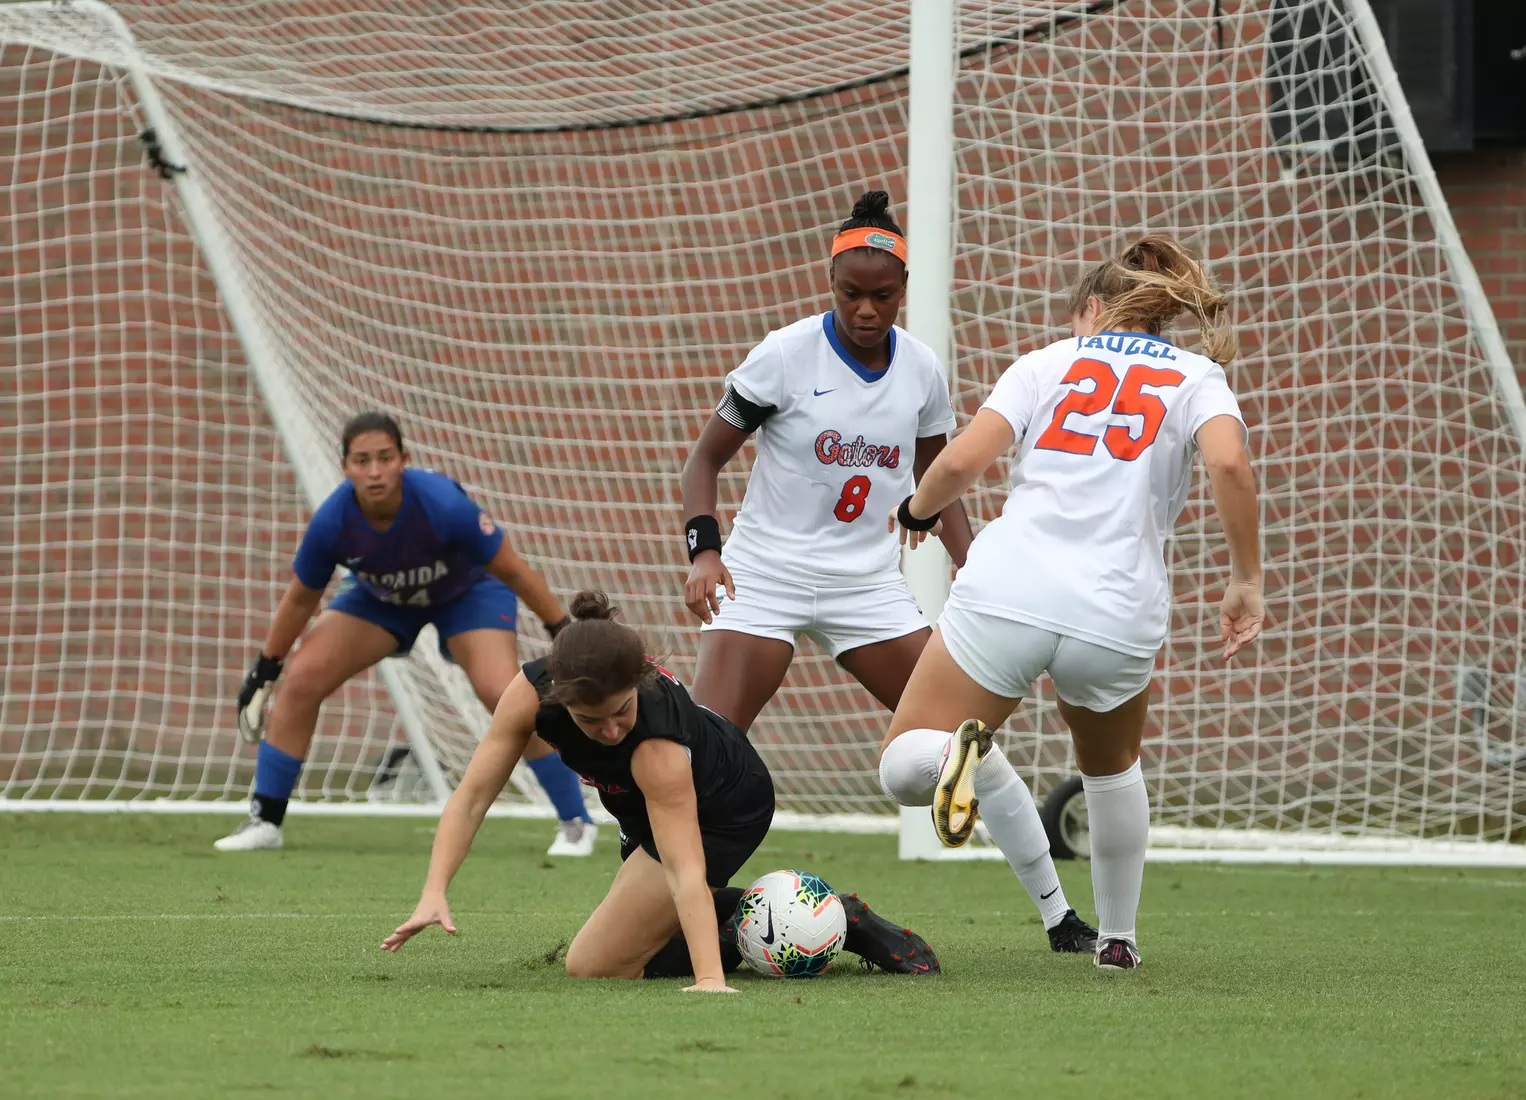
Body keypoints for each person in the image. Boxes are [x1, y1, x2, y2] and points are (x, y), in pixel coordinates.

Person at [680, 190, 1096, 953]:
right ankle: (652, 908)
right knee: (704, 756)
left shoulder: (922, 370)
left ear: (902, 291)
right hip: (763, 575)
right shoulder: (784, 353)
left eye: (883, 296)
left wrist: (974, 567)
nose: (867, 310)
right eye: (851, 294)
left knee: (959, 736)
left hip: (866, 585)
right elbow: (705, 458)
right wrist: (704, 549)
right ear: (829, 284)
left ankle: (1060, 917)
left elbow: (938, 484)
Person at [879, 235, 1265, 970]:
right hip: (1115, 611)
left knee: (904, 763)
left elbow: (961, 459)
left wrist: (920, 511)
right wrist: (1245, 578)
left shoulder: (1047, 361)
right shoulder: (1198, 376)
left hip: (1008, 591)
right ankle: (1117, 939)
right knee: (1112, 770)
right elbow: (1229, 463)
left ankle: (967, 758)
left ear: (1091, 308)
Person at [382, 592, 939, 985]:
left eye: (620, 712)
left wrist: (709, 981)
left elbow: (683, 868)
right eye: (589, 721)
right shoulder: (530, 694)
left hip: (728, 802)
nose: (609, 730)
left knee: (596, 963)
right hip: (637, 806)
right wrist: (433, 890)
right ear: (559, 698)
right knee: (638, 937)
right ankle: (786, 916)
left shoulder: (657, 748)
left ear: (637, 685)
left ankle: (830, 919)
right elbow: (473, 797)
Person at [216, 411, 597, 857]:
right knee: (300, 681)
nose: (374, 471)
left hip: (468, 593)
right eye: (362, 461)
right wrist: (267, 666)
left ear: (404, 460)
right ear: (345, 467)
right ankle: (265, 819)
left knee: (503, 692)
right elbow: (301, 598)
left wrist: (564, 632)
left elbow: (513, 569)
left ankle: (575, 822)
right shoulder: (333, 522)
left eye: (384, 458)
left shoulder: (443, 505)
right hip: (382, 599)